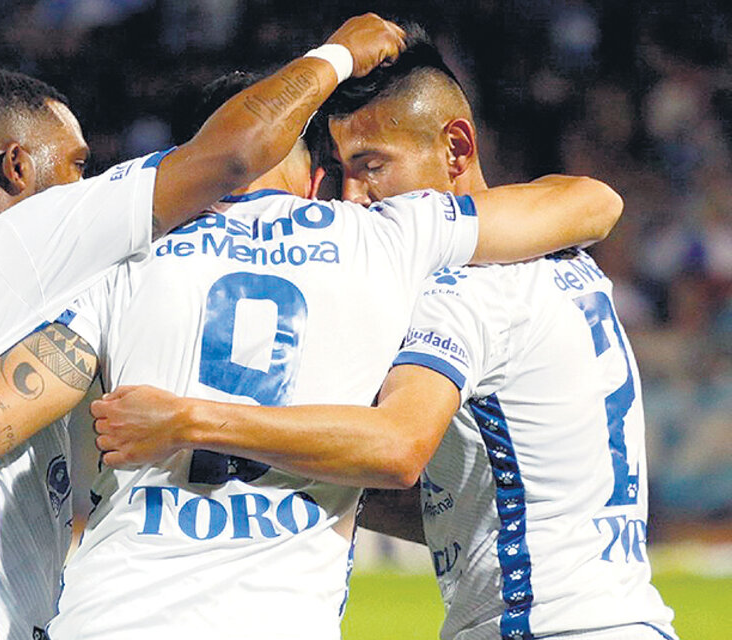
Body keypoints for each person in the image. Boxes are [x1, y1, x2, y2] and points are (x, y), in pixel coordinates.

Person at [0, 16, 410, 639]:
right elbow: (229, 158)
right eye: (76, 165)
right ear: (16, 167)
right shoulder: (17, 247)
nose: (85, 182)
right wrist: (338, 56)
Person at [86, 26, 679, 640]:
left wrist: (189, 422)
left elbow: (397, 446)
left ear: (456, 148)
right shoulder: (561, 262)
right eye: (341, 172)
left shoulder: (462, 291)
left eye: (372, 167)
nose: (353, 197)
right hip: (622, 614)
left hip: (538, 625)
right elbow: (483, 495)